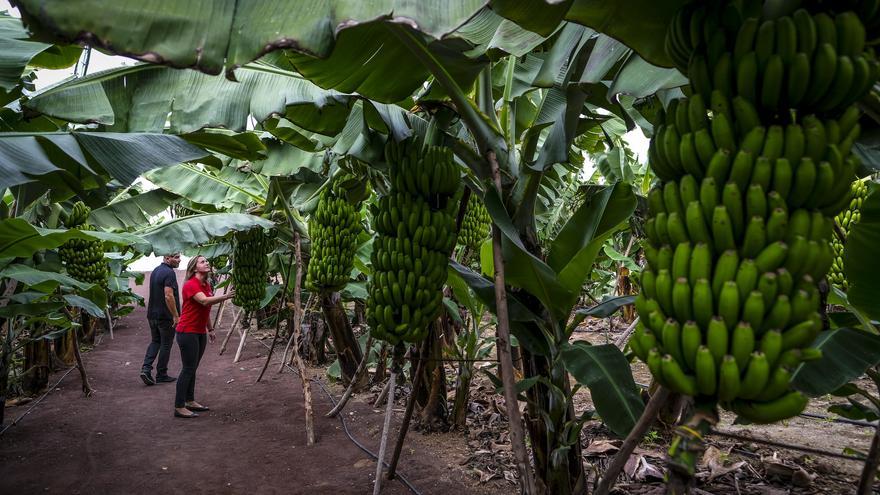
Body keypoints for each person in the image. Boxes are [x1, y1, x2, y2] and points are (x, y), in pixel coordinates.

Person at [174, 255, 234, 418]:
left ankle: (190, 400)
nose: (206, 263)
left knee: (192, 367)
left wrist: (210, 329)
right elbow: (205, 302)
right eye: (202, 261)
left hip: (199, 332)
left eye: (206, 261)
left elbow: (204, 310)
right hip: (187, 331)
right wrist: (227, 296)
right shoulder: (190, 285)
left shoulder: (206, 284)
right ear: (194, 268)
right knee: (188, 368)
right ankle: (179, 406)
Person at [141, 253, 181, 386]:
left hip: (152, 314)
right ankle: (161, 374)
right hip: (165, 316)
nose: (179, 259)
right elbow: (168, 296)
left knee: (155, 341)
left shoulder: (156, 271)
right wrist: (175, 315)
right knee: (165, 344)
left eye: (179, 257)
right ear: (167, 258)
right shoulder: (169, 273)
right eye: (176, 257)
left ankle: (146, 369)